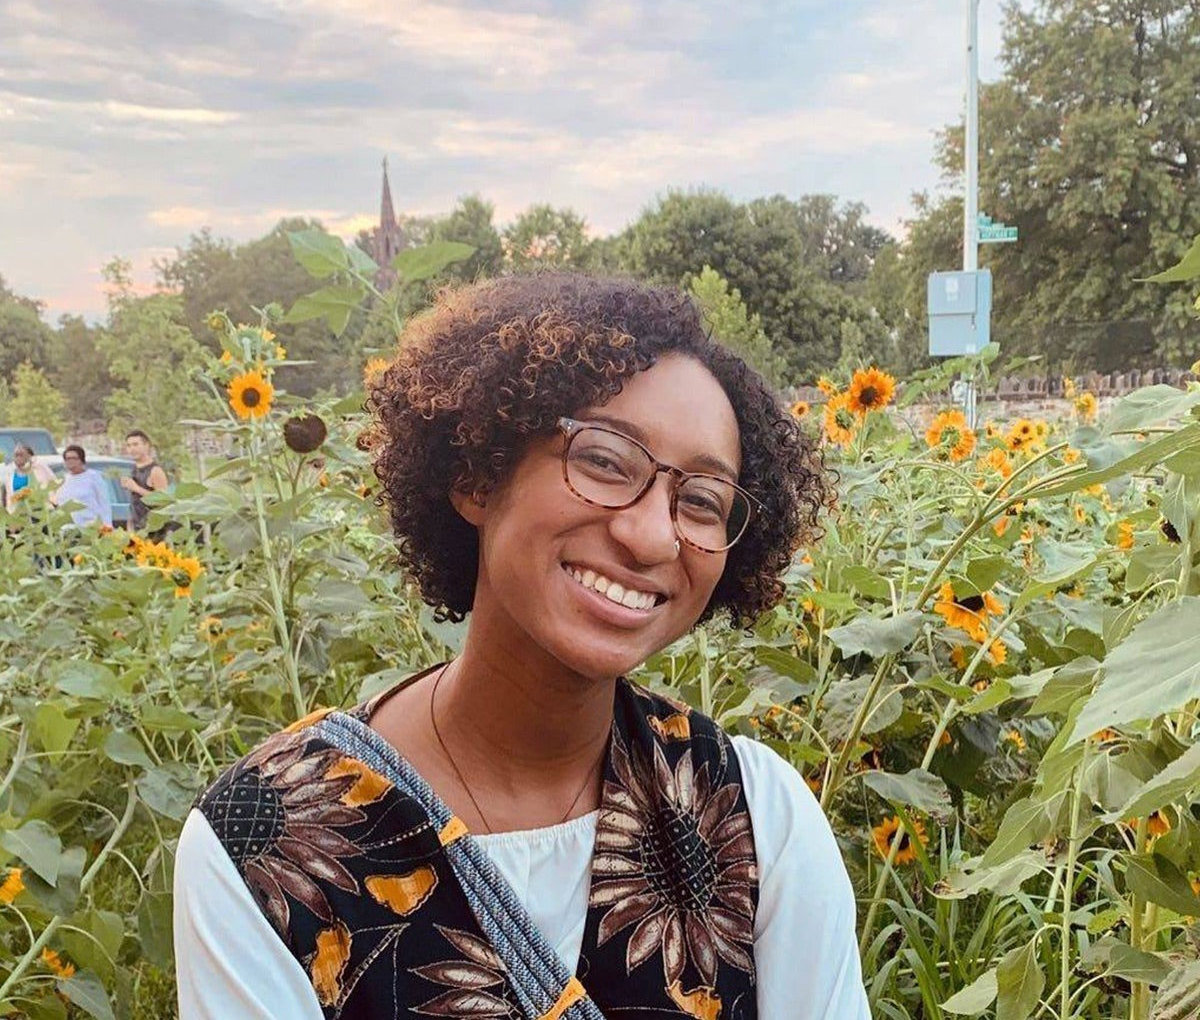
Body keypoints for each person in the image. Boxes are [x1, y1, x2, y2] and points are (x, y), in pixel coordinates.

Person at [173, 274, 870, 1019]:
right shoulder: (261, 846)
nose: (649, 536)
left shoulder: (757, 821)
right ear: (477, 473)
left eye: (701, 501)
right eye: (605, 460)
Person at [51, 445, 112, 528]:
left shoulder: (93, 477)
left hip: (90, 527)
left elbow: (104, 503)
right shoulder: (64, 479)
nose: (70, 461)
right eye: (67, 459)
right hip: (68, 529)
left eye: (74, 458)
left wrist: (107, 525)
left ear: (81, 460)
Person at [120, 429, 169, 532]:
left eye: (135, 444)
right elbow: (134, 502)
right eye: (129, 446)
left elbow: (164, 501)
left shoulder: (155, 470)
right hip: (136, 529)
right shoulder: (134, 469)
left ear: (146, 446)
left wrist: (136, 488)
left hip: (154, 530)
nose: (132, 449)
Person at [2, 444, 55, 510]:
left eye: (21, 455)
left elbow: (53, 484)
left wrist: (53, 503)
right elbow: (9, 499)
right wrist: (10, 511)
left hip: (42, 510)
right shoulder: (10, 476)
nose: (18, 458)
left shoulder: (40, 468)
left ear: (29, 456)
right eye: (16, 455)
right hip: (21, 512)